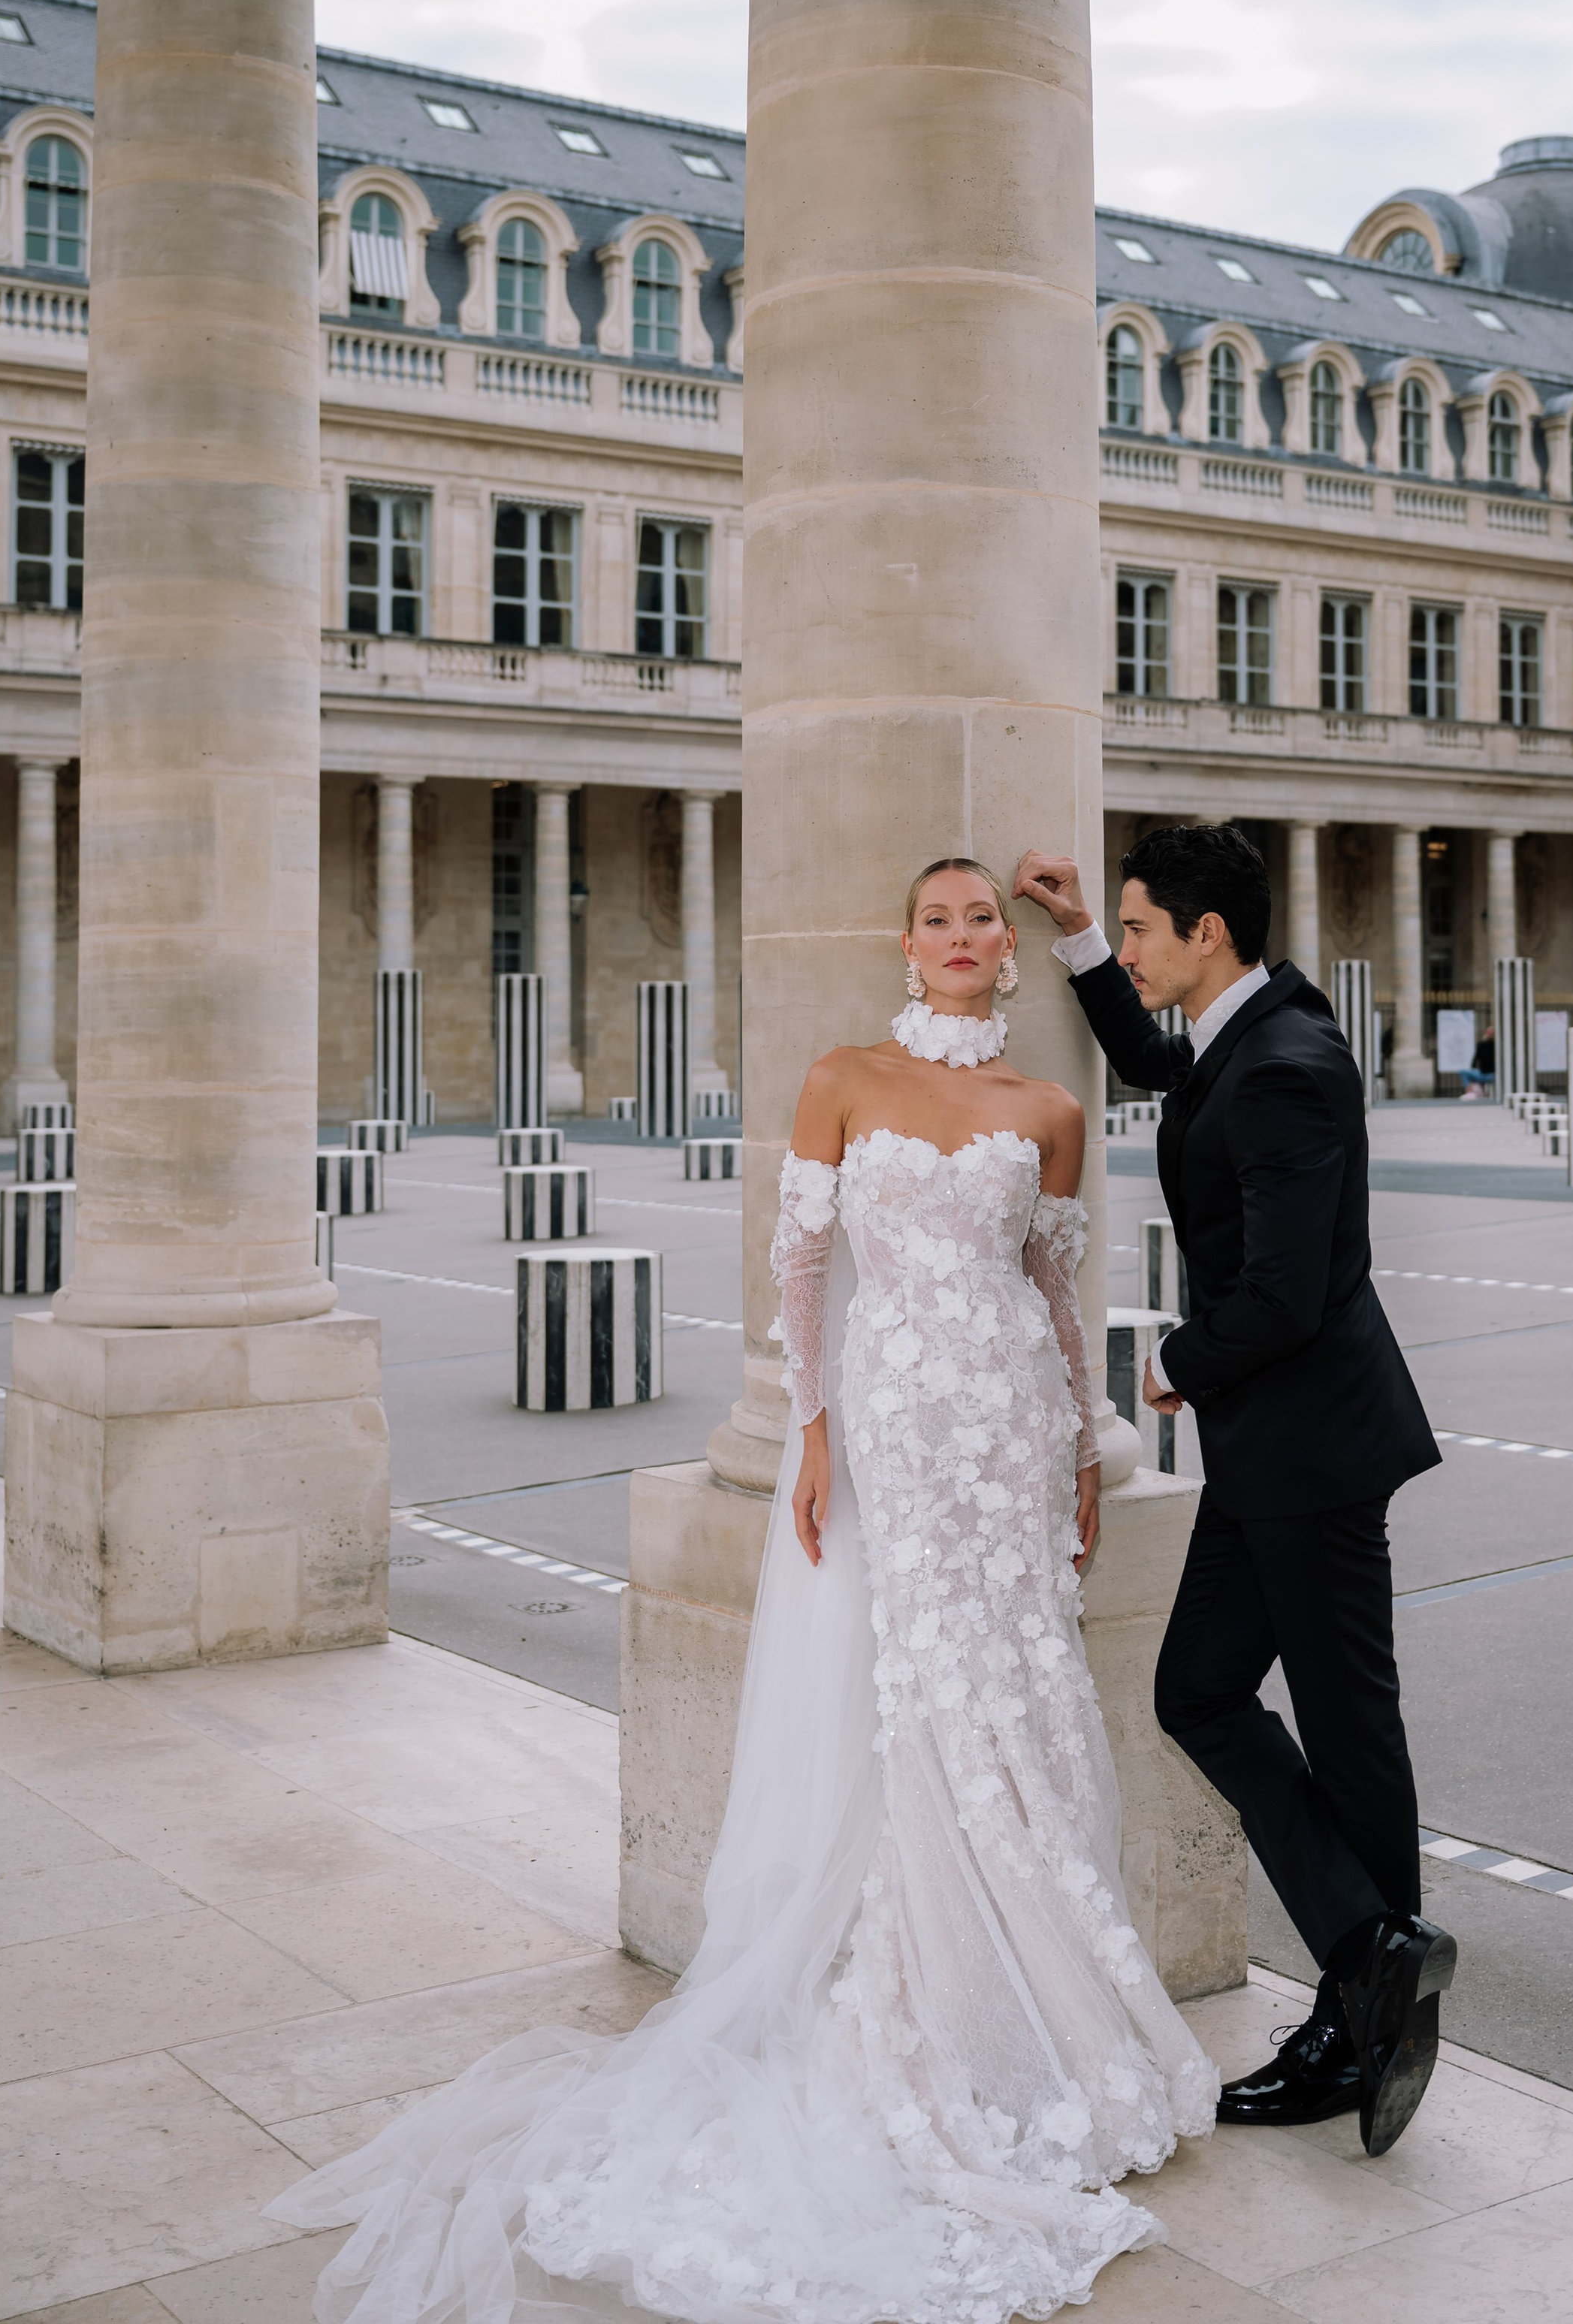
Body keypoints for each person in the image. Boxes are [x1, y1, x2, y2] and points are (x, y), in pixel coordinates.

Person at [268, 856, 1215, 2324]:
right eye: (943, 917)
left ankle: (1028, 2009)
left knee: (1014, 1696)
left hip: (1006, 1435)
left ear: (1012, 954)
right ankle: (934, 2004)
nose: (966, 938)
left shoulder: (1052, 1113)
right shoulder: (842, 1078)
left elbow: (1049, 1290)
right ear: (905, 942)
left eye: (986, 922)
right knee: (921, 1707)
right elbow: (800, 1270)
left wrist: (1082, 1452)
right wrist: (819, 1432)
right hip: (895, 1431)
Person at [1014, 825, 1454, 2159]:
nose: (1135, 949)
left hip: (1310, 1451)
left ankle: (1365, 1997)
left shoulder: (1288, 1068)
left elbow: (1285, 1288)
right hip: (1283, 1452)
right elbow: (1156, 1063)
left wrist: (1172, 1364)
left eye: (1145, 929)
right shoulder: (1246, 1025)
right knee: (1206, 1690)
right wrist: (1085, 936)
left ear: (1207, 934)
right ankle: (1375, 1958)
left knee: (1343, 1724)